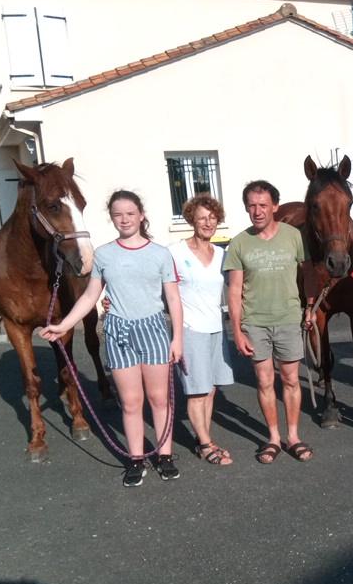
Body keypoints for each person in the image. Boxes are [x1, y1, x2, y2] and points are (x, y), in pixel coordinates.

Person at [40, 190, 183, 486]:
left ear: (141, 215)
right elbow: (91, 295)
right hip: (119, 331)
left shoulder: (160, 254)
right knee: (130, 402)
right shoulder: (104, 254)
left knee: (158, 399)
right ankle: (135, 459)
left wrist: (177, 338)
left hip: (154, 329)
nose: (125, 219)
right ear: (112, 218)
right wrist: (63, 325)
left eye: (130, 213)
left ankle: (165, 456)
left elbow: (173, 298)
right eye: (118, 214)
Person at [223, 180, 314, 463]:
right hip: (255, 323)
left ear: (275, 206)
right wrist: (236, 330)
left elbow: (308, 273)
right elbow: (234, 290)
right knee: (264, 381)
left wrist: (310, 306)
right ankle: (273, 438)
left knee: (290, 379)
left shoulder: (293, 236)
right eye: (252, 205)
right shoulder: (239, 242)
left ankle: (294, 436)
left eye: (263, 205)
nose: (257, 211)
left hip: (288, 318)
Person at [170, 192, 235, 466]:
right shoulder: (174, 251)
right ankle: (206, 444)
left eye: (212, 218)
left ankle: (203, 437)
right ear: (191, 220)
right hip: (189, 329)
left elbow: (237, 289)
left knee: (210, 390)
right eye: (202, 218)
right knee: (197, 390)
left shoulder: (222, 254)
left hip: (216, 330)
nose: (207, 223)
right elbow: (157, 286)